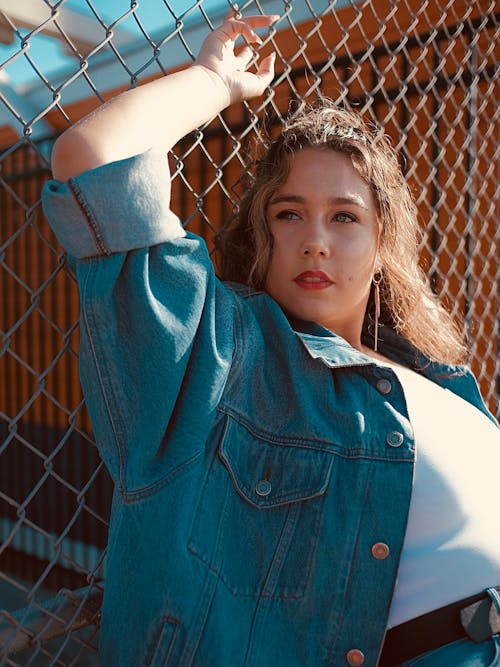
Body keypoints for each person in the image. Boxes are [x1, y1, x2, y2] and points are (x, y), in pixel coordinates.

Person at [42, 11, 500, 667]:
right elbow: (94, 159)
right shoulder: (224, 354)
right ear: (261, 239)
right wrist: (213, 81)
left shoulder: (439, 376)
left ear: (381, 249)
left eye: (344, 216)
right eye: (290, 214)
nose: (315, 238)